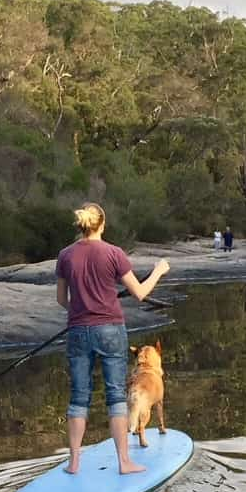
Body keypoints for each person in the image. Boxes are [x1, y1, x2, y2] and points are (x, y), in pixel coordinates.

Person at [55, 202, 170, 475]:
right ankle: (124, 462)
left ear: (81, 225)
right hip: (110, 330)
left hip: (78, 330)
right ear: (102, 225)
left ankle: (73, 463)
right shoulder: (114, 253)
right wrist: (159, 270)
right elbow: (139, 293)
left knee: (78, 396)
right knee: (115, 395)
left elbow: (62, 300)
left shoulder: (65, 256)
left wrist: (83, 311)